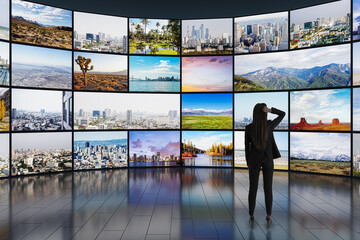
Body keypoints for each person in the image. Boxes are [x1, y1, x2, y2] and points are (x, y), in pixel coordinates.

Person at [245, 103, 285, 224]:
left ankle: (251, 216)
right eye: (265, 111)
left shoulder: (249, 127)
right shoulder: (269, 125)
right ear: (264, 113)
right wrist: (270, 109)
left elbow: (247, 147)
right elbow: (282, 114)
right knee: (268, 188)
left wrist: (248, 162)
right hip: (268, 160)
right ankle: (268, 216)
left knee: (253, 189)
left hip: (254, 161)